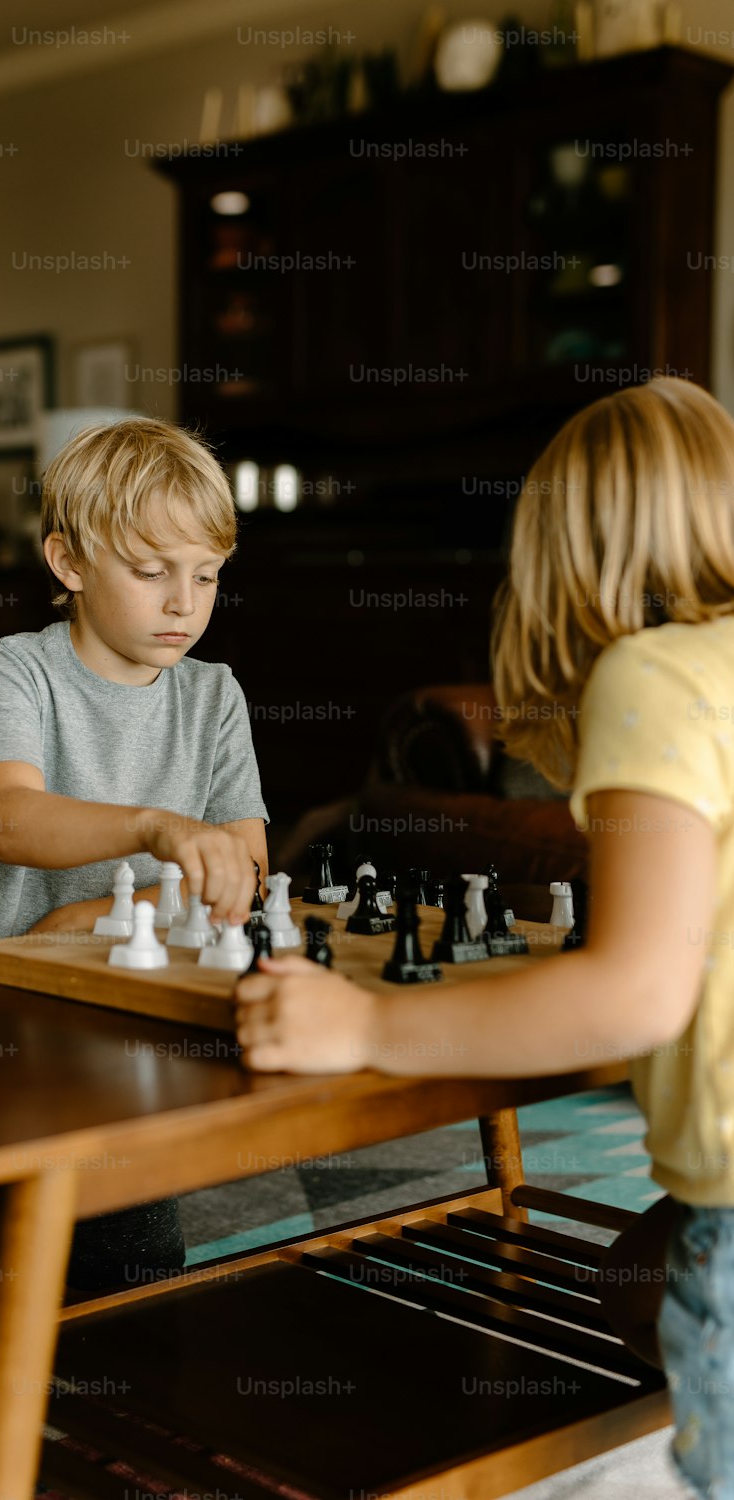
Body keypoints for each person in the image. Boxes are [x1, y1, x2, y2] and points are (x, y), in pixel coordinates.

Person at [236, 376, 734, 1499]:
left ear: (561, 550)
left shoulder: (652, 672)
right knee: (636, 1276)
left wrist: (365, 1018)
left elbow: (637, 999)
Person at [0, 416, 269, 1355]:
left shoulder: (216, 695)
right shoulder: (17, 669)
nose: (184, 602)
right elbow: (12, 821)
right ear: (67, 561)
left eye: (207, 574)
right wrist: (152, 831)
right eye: (152, 572)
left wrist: (105, 918)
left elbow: (243, 866)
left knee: (136, 1319)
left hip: (120, 1039)